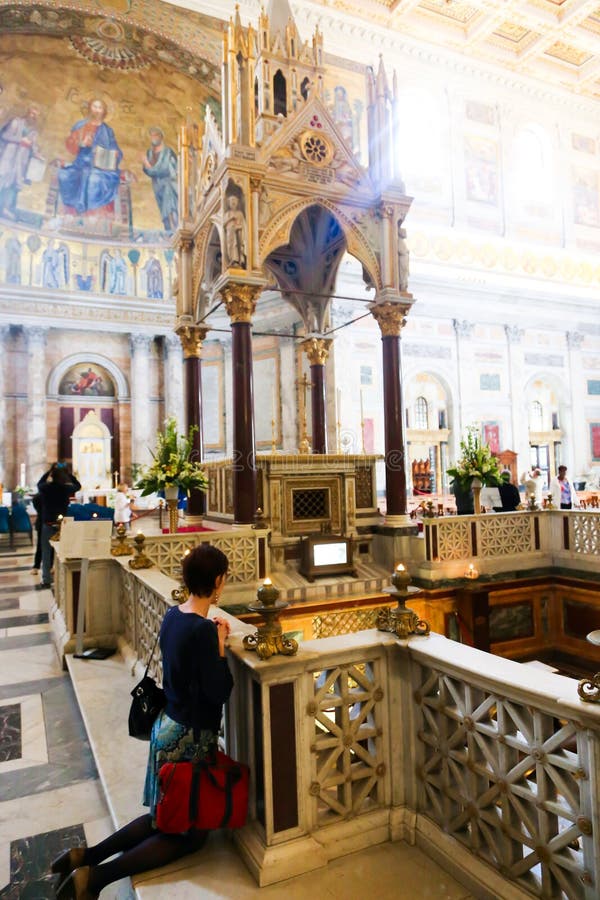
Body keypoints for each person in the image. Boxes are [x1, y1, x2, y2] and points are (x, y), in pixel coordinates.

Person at [51, 544, 233, 899]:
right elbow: (219, 691)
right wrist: (221, 646)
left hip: (166, 727)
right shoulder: (202, 632)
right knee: (188, 835)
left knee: (160, 817)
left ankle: (85, 855)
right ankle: (97, 877)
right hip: (190, 738)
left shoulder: (173, 615)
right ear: (217, 581)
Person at [58, 98, 122, 217]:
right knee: (67, 175)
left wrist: (115, 154)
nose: (97, 110)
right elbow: (70, 144)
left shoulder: (107, 131)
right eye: (94, 107)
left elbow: (116, 149)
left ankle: (88, 210)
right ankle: (77, 208)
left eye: (100, 108)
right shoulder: (81, 126)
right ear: (89, 109)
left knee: (94, 178)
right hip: (80, 162)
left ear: (104, 112)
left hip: (101, 167)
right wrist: (81, 143)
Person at [36, 463, 81, 590]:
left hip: (48, 523)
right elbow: (78, 486)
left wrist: (49, 472)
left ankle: (46, 579)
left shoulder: (46, 488)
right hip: (63, 525)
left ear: (52, 476)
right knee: (64, 550)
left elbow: (39, 484)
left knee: (46, 551)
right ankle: (64, 577)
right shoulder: (65, 488)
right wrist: (69, 475)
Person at [0, 105, 41, 219]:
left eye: (35, 116)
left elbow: (34, 146)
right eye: (32, 114)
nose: (33, 117)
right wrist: (20, 140)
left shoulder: (34, 131)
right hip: (8, 156)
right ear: (27, 113)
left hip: (20, 160)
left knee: (14, 184)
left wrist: (37, 153)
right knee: (2, 179)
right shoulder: (16, 122)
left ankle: (5, 209)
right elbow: (4, 135)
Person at [142, 126, 178, 231]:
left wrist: (147, 165)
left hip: (169, 185)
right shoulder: (149, 152)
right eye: (152, 135)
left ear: (161, 136)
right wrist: (147, 166)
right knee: (163, 209)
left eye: (156, 135)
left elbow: (164, 169)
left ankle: (174, 230)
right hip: (157, 186)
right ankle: (168, 231)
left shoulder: (168, 152)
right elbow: (148, 171)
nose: (154, 137)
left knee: (170, 208)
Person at [223, 193, 246, 267]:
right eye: (231, 201)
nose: (233, 203)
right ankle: (232, 260)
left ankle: (238, 260)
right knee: (231, 246)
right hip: (230, 232)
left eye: (234, 201)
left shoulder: (240, 213)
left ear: (237, 203)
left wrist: (239, 227)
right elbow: (223, 224)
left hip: (238, 232)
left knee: (237, 245)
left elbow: (244, 224)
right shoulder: (228, 213)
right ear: (229, 203)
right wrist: (231, 218)